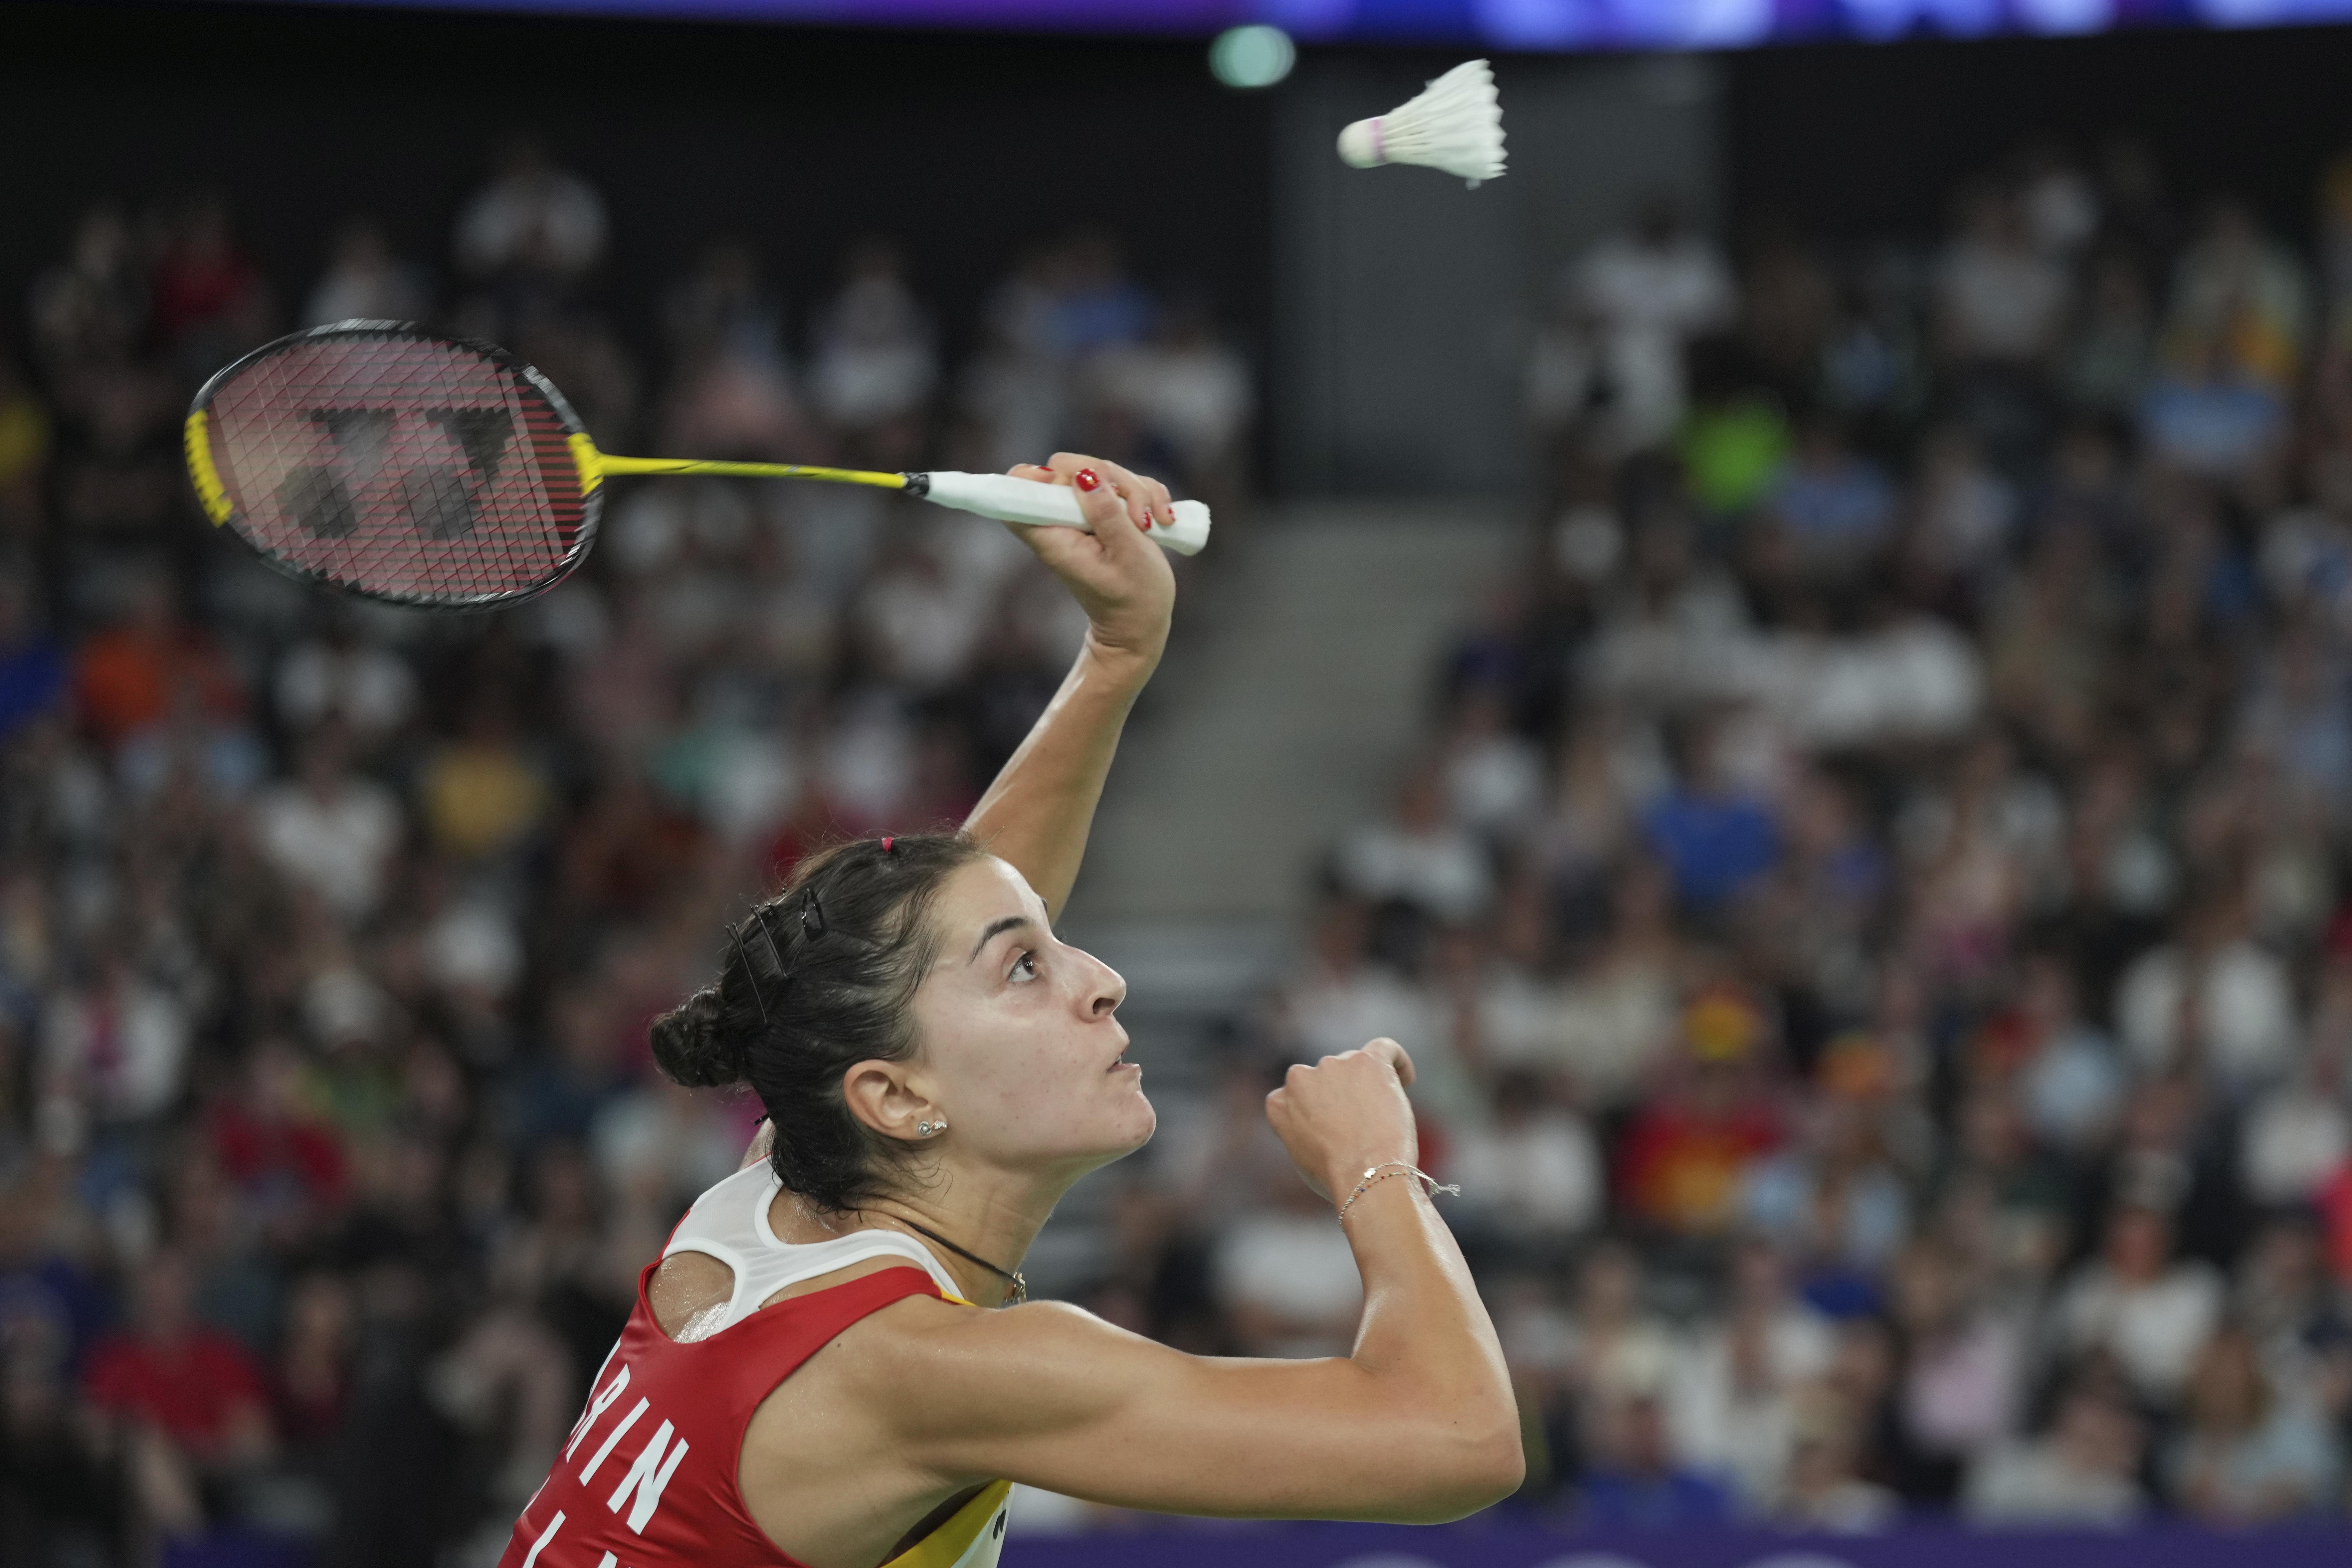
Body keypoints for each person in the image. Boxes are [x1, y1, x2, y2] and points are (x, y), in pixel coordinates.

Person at [498, 456, 1522, 1568]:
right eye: (1027, 971)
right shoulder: (921, 1371)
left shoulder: (778, 1197)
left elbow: (946, 921)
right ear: (894, 1098)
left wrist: (1118, 651)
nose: (1104, 980)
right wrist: (1376, 1171)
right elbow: (1458, 1438)